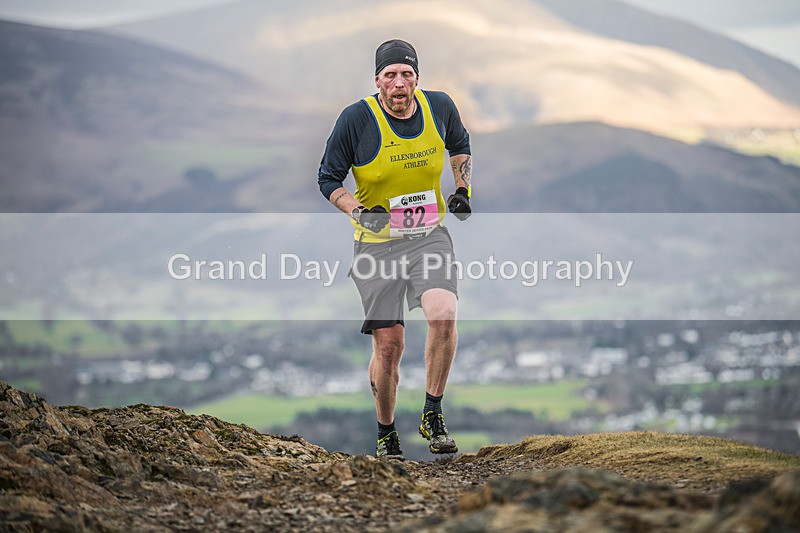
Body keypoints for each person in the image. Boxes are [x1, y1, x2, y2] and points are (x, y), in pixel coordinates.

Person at [318, 39, 472, 460]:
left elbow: (459, 144)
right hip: (377, 246)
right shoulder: (356, 120)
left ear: (417, 79)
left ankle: (432, 413)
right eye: (391, 75)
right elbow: (328, 180)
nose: (399, 84)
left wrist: (462, 189)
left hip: (428, 236)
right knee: (390, 346)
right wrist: (358, 212)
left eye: (407, 74)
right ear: (378, 81)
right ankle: (386, 432)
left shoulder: (439, 107)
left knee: (444, 312)